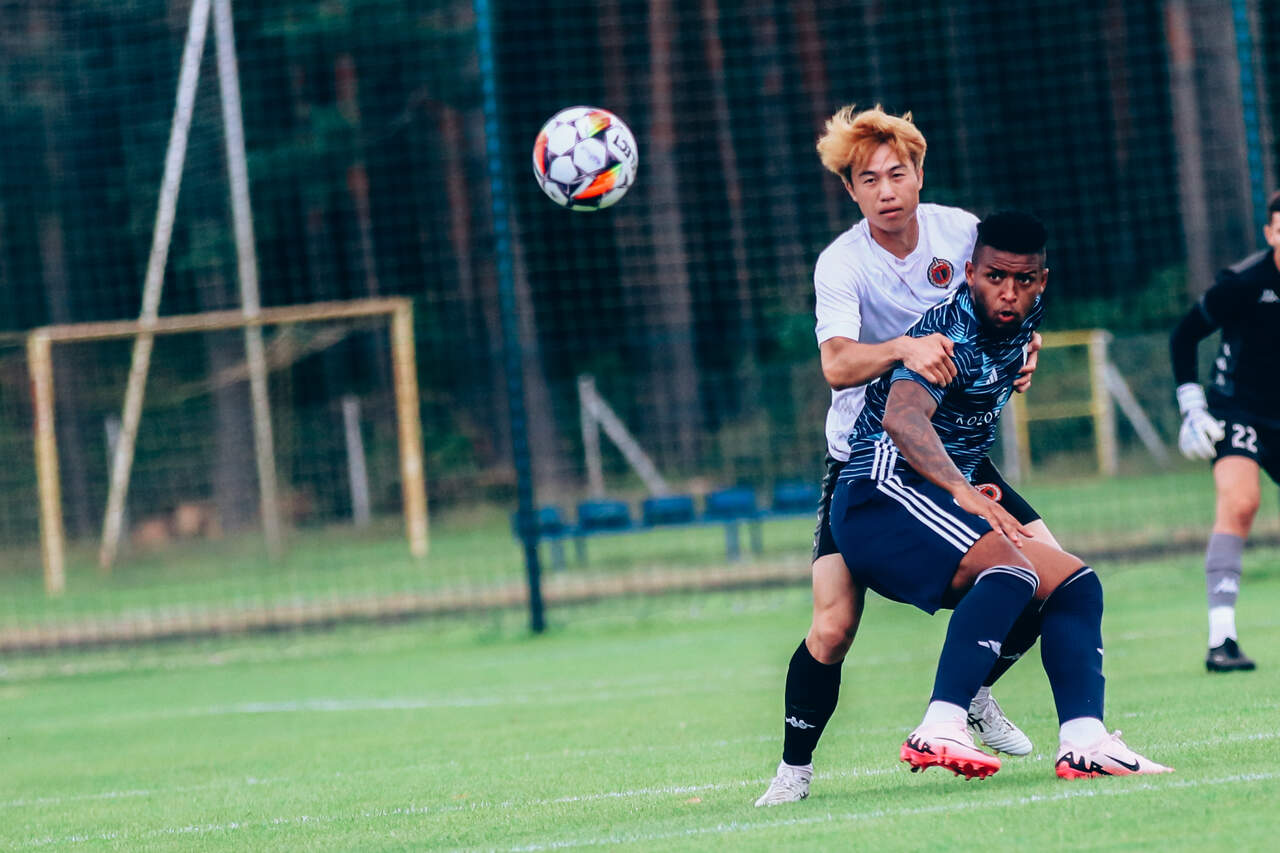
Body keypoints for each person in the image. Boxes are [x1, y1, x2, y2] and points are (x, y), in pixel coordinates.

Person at [756, 105, 1062, 806]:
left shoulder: (961, 232)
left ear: (920, 173)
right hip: (866, 461)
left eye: (897, 173)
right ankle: (793, 772)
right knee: (833, 626)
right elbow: (836, 365)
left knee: (1054, 578)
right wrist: (903, 347)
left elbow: (1010, 295)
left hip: (954, 451)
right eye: (869, 179)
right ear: (850, 190)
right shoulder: (841, 263)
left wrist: (1028, 345)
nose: (886, 190)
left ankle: (971, 693)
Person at [832, 210, 1170, 780]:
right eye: (994, 277)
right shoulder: (949, 336)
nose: (1008, 292)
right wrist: (964, 492)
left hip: (932, 496)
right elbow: (902, 418)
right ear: (970, 273)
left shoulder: (1022, 321)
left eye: (1023, 280)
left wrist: (1027, 352)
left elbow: (1010, 348)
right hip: (880, 492)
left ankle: (1085, 740)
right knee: (1012, 570)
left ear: (1042, 281)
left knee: (1074, 585)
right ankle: (940, 726)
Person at [1169, 191, 1280, 672]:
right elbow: (1184, 336)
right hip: (1239, 409)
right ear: (1270, 233)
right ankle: (1222, 640)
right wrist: (1192, 407)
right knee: (1240, 501)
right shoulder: (1244, 284)